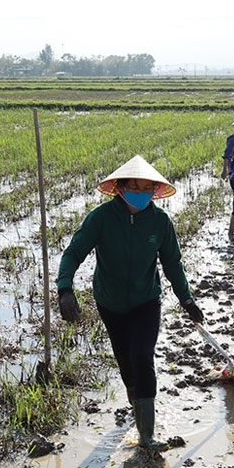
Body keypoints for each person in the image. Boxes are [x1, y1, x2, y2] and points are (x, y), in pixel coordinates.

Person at [55, 156, 206, 448]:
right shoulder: (100, 218)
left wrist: (187, 300)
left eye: (147, 187)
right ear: (121, 188)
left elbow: (173, 264)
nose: (141, 192)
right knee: (125, 362)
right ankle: (136, 405)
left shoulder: (160, 222)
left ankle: (146, 435)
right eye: (134, 186)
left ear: (155, 190)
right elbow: (73, 253)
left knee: (142, 356)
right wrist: (65, 289)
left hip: (146, 299)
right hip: (109, 302)